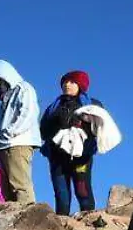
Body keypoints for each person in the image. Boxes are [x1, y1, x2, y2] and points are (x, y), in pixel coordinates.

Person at [40, 70, 101, 215]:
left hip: (82, 156)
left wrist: (81, 126)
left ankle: (89, 223)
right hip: (57, 157)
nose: (67, 85)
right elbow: (43, 130)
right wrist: (58, 128)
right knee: (61, 195)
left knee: (83, 191)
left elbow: (100, 128)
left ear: (81, 85)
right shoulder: (53, 108)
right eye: (65, 82)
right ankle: (61, 227)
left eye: (72, 82)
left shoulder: (92, 105)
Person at [0, 59, 42, 204]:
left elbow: (27, 112)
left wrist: (10, 132)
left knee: (20, 184)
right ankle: (14, 221)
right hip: (5, 145)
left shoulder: (23, 89)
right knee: (7, 190)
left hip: (18, 142)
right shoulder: (5, 100)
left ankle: (30, 218)